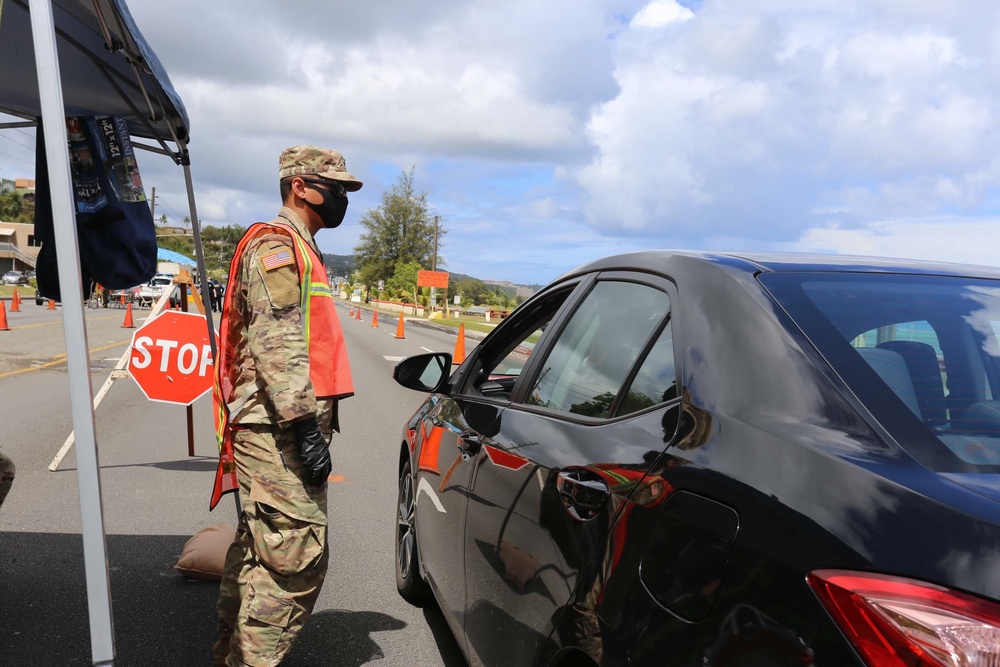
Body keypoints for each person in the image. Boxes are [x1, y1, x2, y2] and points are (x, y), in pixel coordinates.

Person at [211, 145, 359, 667]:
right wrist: (303, 427)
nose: (342, 198)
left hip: (278, 424)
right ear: (300, 186)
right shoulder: (277, 246)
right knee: (295, 559)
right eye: (336, 187)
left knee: (261, 546)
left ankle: (232, 648)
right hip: (278, 426)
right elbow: (277, 343)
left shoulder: (300, 248)